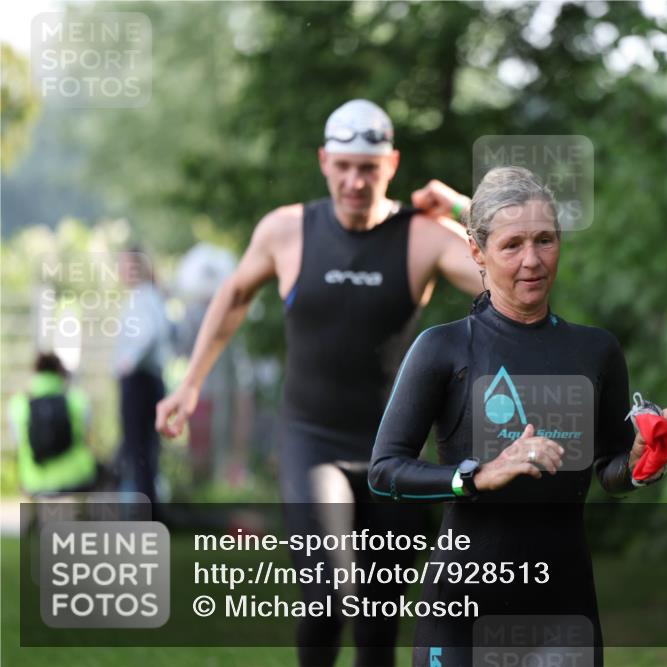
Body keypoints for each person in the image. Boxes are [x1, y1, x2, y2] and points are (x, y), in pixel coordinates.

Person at [155, 99, 482, 667]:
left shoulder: (424, 235)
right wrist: (190, 383)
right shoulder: (286, 230)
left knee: (379, 621)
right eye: (344, 166)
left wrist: (462, 206)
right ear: (324, 161)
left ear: (391, 164)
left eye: (369, 168)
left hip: (395, 453)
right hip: (313, 442)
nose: (355, 181)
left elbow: (513, 270)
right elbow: (235, 294)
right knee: (328, 596)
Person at [368, 166, 667, 666]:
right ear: (477, 251)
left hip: (565, 609)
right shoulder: (443, 349)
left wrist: (641, 464)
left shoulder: (595, 352)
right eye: (512, 244)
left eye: (544, 240)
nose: (532, 260)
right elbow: (384, 473)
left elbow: (609, 469)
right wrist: (477, 475)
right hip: (463, 613)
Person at [116, 249, 171, 507]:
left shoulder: (143, 298)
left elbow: (149, 333)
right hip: (148, 381)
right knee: (145, 451)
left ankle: (144, 509)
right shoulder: (151, 297)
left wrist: (129, 361)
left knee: (138, 451)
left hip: (139, 381)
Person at [8, 352, 99, 495]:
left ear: (35, 373)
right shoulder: (77, 399)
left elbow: (18, 442)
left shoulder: (18, 404)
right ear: (60, 372)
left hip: (35, 482)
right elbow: (87, 435)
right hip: (76, 479)